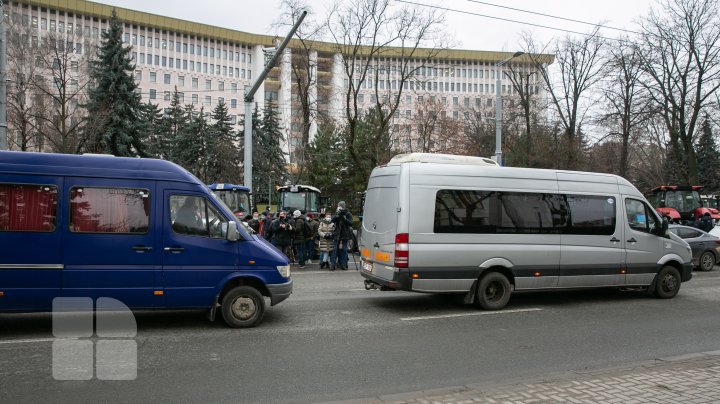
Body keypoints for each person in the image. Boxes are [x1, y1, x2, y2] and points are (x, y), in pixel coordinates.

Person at [330, 201, 353, 270]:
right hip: (337, 234)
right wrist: (337, 215)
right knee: (334, 250)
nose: (338, 207)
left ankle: (344, 265)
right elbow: (332, 220)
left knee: (344, 250)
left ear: (342, 206)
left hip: (345, 234)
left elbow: (351, 223)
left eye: (339, 205)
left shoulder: (348, 213)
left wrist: (344, 218)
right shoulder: (337, 213)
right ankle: (333, 265)